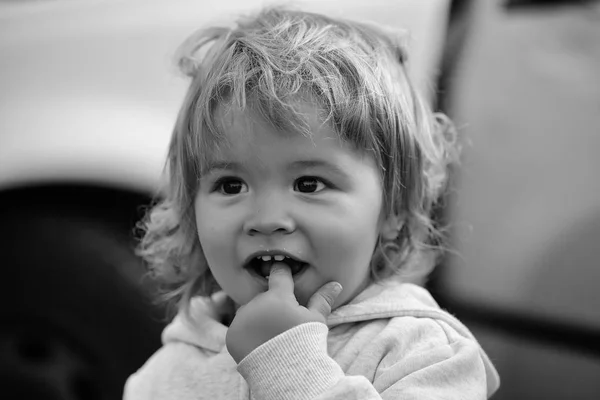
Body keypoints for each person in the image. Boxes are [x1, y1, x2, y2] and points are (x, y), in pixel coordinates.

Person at [124, 6, 500, 400]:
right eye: (231, 185)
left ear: (395, 207)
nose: (267, 220)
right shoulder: (166, 372)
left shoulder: (424, 354)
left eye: (308, 183)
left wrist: (287, 367)